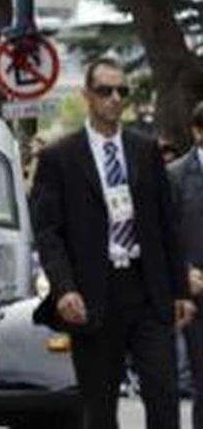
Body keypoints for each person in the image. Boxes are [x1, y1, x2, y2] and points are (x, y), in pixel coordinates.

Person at [30, 57, 195, 429]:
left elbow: (166, 225)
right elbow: (48, 232)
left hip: (147, 289)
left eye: (122, 91)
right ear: (87, 96)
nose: (115, 98)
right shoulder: (60, 157)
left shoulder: (145, 150)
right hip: (92, 293)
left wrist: (180, 289)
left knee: (164, 395)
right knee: (99, 405)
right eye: (106, 91)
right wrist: (64, 288)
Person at [167, 102, 203, 429]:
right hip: (196, 295)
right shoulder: (176, 176)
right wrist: (184, 271)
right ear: (197, 131)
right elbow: (164, 235)